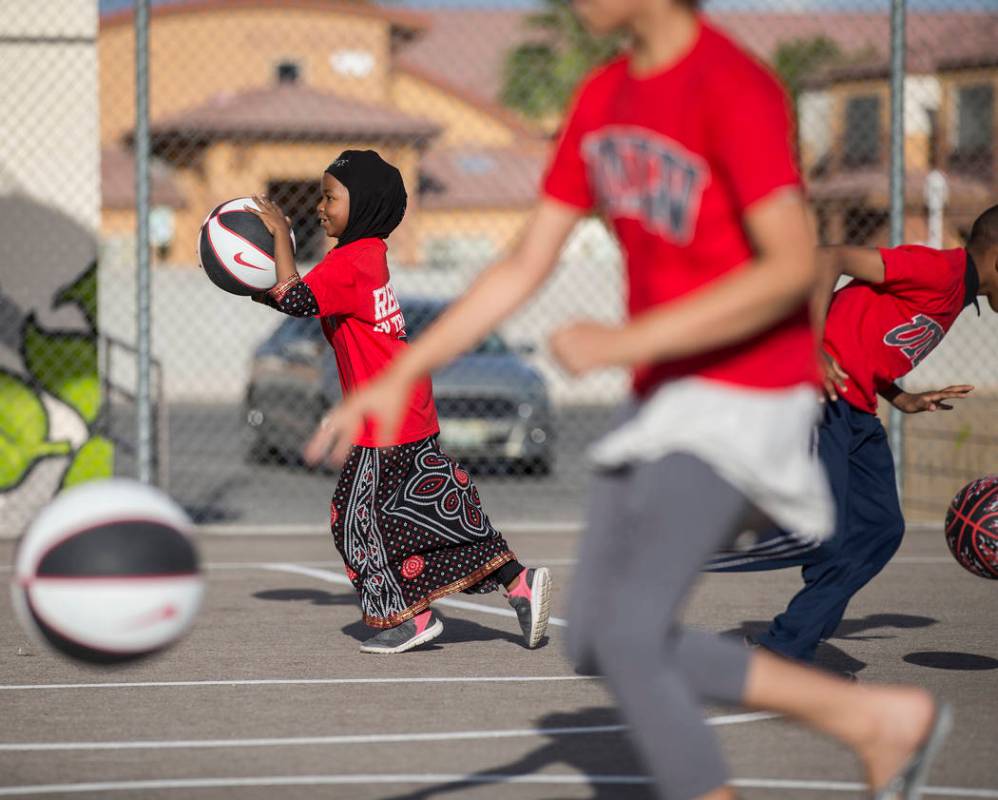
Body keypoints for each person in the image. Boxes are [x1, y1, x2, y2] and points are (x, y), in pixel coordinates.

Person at [304, 3, 951, 799]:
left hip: (746, 388)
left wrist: (621, 343)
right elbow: (522, 262)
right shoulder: (603, 98)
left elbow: (790, 266)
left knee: (632, 635)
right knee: (608, 642)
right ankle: (869, 722)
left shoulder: (734, 87)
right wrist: (405, 369)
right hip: (663, 397)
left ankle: (863, 724)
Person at [247, 149, 552, 655]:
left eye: (330, 197)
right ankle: (519, 582)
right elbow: (294, 295)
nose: (319, 206)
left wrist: (280, 236)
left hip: (383, 420)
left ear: (362, 204)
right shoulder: (365, 257)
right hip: (407, 410)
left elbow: (296, 300)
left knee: (355, 520)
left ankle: (408, 619)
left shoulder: (349, 261)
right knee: (431, 512)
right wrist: (241, 273)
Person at [708, 204, 998, 664]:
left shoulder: (956, 295)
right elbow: (827, 257)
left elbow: (867, 334)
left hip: (858, 409)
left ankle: (785, 645)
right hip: (822, 397)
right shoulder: (938, 270)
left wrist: (901, 397)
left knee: (879, 528)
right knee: (816, 529)